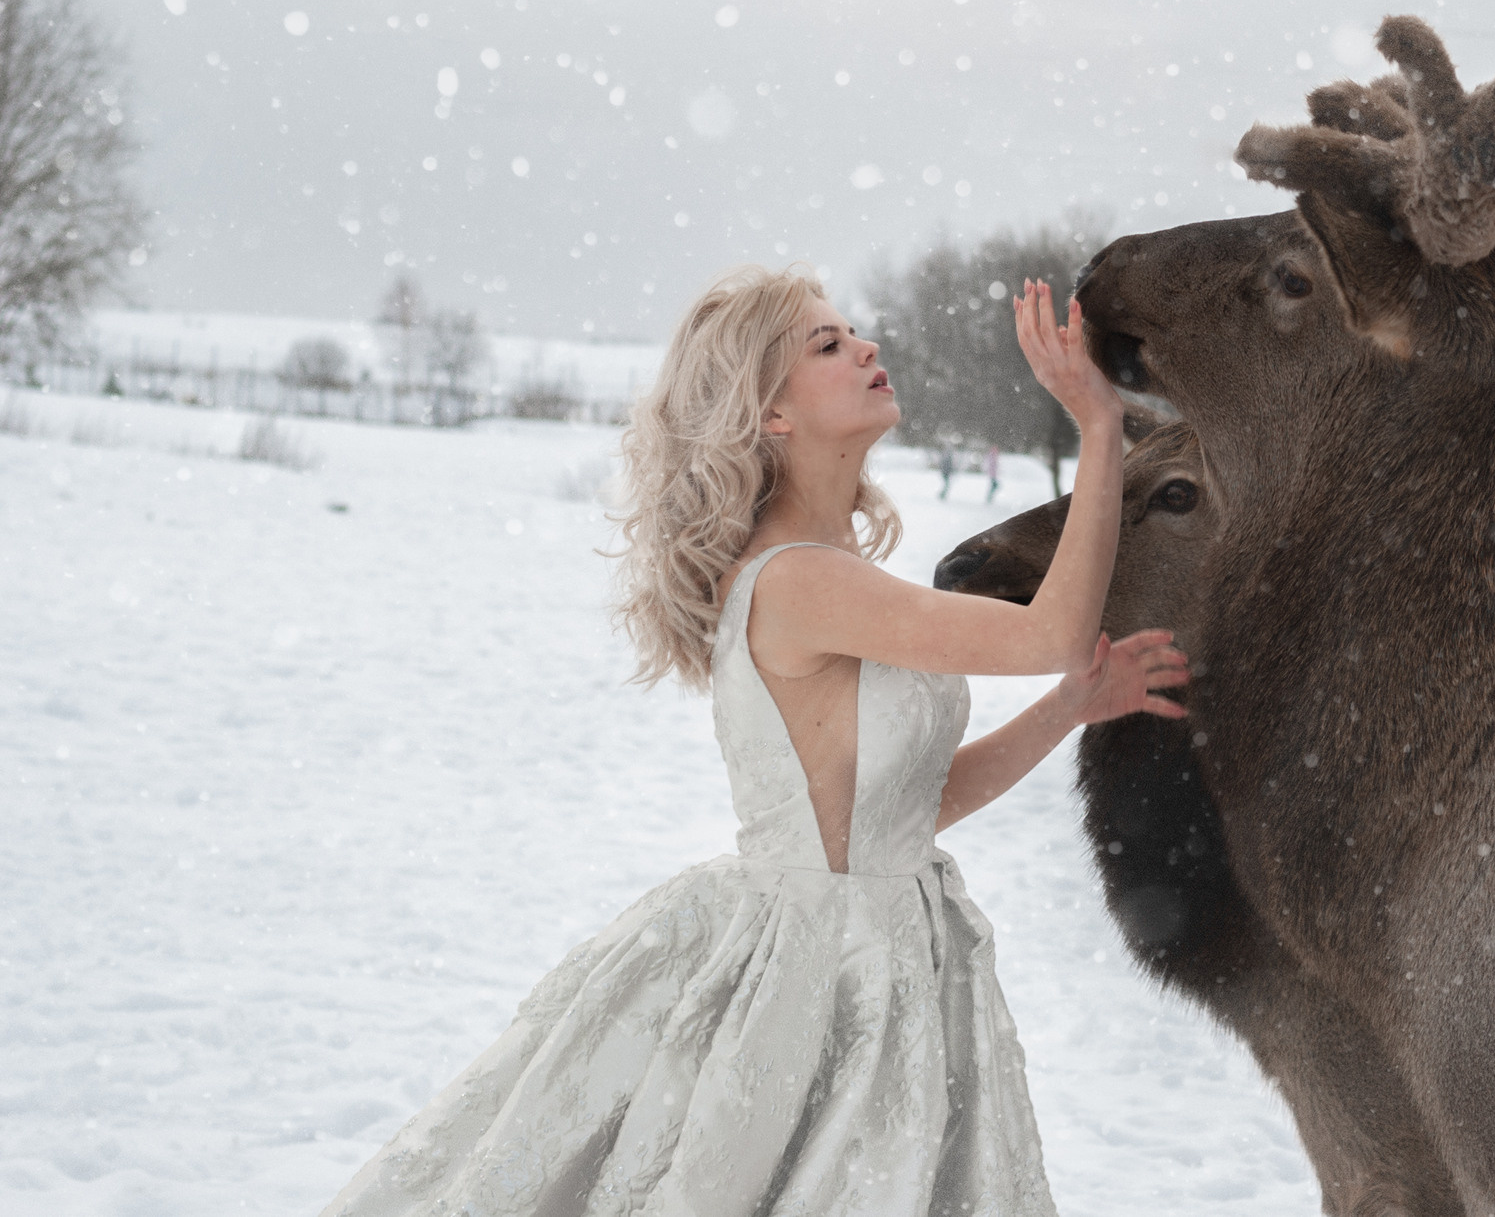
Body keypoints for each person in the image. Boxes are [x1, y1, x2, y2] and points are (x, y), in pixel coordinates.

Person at [322, 266, 1185, 1217]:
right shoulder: (799, 583)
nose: (866, 347)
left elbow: (910, 809)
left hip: (892, 967)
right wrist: (1100, 426)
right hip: (813, 982)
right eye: (825, 344)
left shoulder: (840, 575)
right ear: (769, 415)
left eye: (854, 331)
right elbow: (1049, 633)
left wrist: (1072, 707)